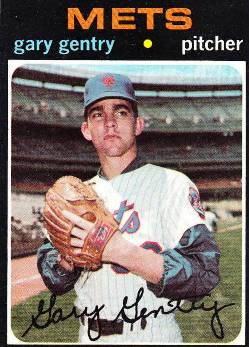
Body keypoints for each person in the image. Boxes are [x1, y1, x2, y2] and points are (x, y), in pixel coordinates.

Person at [37, 73, 220, 343]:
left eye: (121, 112)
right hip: (91, 335)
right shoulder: (75, 197)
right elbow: (54, 278)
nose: (110, 122)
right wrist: (67, 260)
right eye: (98, 114)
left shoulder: (172, 184)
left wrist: (120, 252)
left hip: (153, 334)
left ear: (138, 125)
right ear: (87, 129)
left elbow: (204, 274)